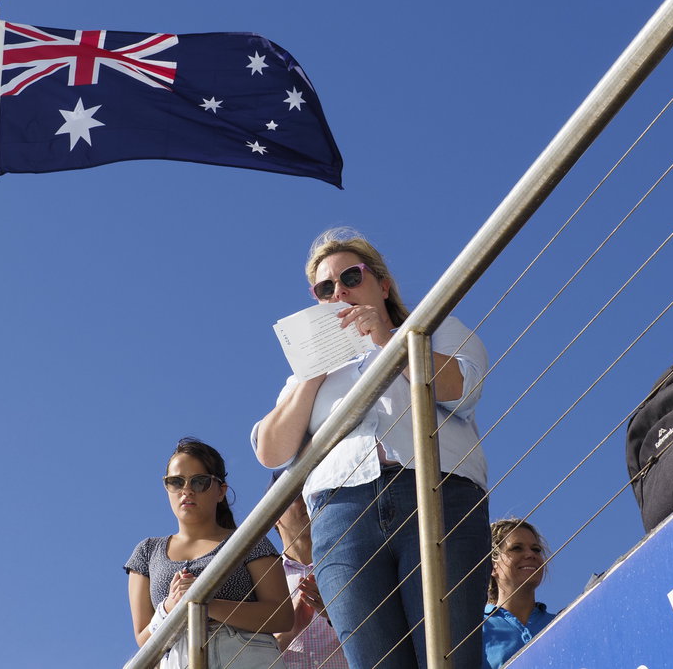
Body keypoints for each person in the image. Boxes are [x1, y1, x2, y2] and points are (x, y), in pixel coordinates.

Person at [252, 227, 490, 669]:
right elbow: (271, 449)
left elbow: (459, 387)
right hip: (341, 518)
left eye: (351, 277)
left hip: (436, 493)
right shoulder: (305, 377)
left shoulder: (434, 328)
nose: (339, 291)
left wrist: (389, 339)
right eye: (326, 288)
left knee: (451, 656)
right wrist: (311, 374)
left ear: (382, 284)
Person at [125, 438, 293, 669]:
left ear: (221, 491)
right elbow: (143, 637)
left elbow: (282, 615)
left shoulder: (249, 540)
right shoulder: (146, 552)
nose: (186, 491)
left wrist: (203, 603)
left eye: (199, 481)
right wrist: (170, 607)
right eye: (176, 482)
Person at [270, 472, 348, 668]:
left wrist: (336, 614)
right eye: (297, 493)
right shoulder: (262, 582)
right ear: (273, 516)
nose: (308, 497)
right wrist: (290, 630)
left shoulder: (350, 565)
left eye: (313, 490)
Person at [482, 518, 556, 669]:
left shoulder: (561, 621)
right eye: (516, 548)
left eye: (536, 549)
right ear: (492, 565)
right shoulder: (476, 629)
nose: (531, 554)